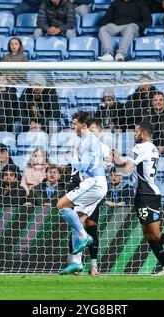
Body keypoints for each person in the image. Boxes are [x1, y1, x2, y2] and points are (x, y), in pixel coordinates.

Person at [112, 121, 164, 276]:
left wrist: (111, 165)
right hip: (145, 193)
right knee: (148, 235)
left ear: (144, 133)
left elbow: (126, 170)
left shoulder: (139, 147)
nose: (134, 133)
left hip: (147, 194)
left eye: (136, 130)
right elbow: (127, 164)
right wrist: (116, 159)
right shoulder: (152, 147)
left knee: (156, 234)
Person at [57, 112, 107, 275]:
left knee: (61, 205)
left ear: (83, 126)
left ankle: (84, 236)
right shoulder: (83, 141)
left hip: (93, 184)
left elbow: (84, 167)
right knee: (76, 220)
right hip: (91, 184)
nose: (73, 126)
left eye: (75, 123)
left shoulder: (90, 142)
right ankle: (77, 263)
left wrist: (69, 159)